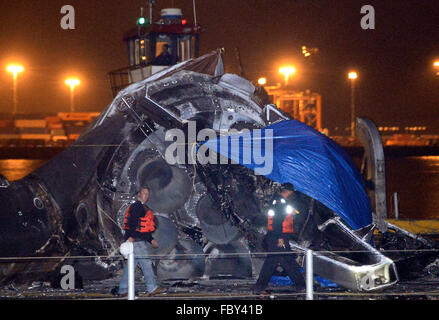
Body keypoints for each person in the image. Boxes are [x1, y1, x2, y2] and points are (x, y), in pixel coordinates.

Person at [112, 186, 166, 296]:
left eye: (147, 194)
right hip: (136, 241)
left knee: (131, 266)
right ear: (139, 194)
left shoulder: (141, 207)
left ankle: (123, 289)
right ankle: (152, 287)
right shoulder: (137, 207)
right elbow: (133, 224)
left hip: (136, 239)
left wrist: (150, 239)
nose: (146, 196)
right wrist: (131, 237)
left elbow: (141, 229)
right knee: (146, 262)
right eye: (144, 193)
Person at [253, 182, 306, 293]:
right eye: (291, 192)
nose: (292, 194)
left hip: (275, 236)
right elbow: (278, 222)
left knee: (276, 261)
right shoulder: (280, 203)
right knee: (286, 261)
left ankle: (259, 287)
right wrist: (280, 238)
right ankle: (301, 286)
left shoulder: (277, 201)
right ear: (288, 191)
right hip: (278, 236)